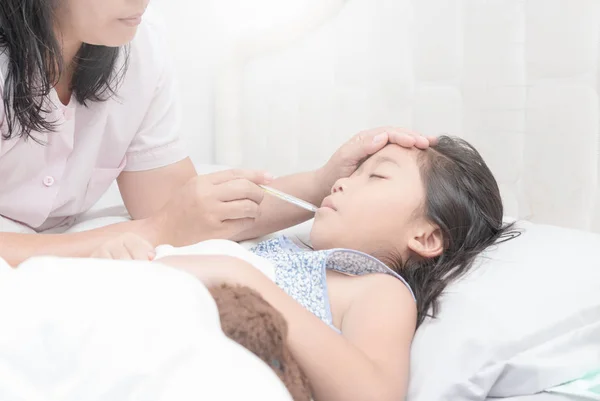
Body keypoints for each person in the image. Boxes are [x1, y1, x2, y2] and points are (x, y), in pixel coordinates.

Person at [0, 0, 436, 266]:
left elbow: (186, 211)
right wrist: (154, 231)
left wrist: (322, 184)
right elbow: (165, 222)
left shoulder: (138, 47)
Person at [94, 135, 517, 401]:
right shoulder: (279, 248)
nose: (340, 183)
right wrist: (130, 256)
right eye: (356, 172)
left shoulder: (377, 289)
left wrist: (244, 279)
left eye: (377, 178)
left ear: (425, 237)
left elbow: (373, 394)